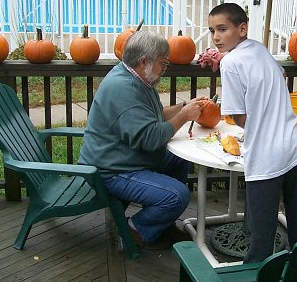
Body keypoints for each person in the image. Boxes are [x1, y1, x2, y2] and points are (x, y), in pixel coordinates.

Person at [208, 3, 297, 263]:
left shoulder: (231, 62)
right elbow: (282, 73)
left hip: (266, 158)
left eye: (222, 29)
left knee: (261, 235)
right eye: (212, 30)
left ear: (242, 28)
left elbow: (237, 115)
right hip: (293, 146)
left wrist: (257, 123)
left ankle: (255, 275)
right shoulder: (259, 48)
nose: (215, 37)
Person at [78, 31, 206, 249]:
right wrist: (184, 117)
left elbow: (153, 117)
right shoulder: (123, 88)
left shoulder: (136, 79)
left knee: (179, 158)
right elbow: (150, 138)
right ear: (143, 61)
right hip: (111, 171)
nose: (166, 67)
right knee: (177, 196)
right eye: (162, 62)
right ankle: (133, 230)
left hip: (127, 158)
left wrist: (184, 108)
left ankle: (162, 225)